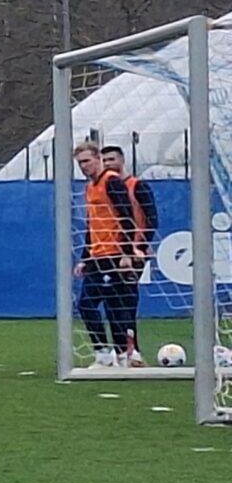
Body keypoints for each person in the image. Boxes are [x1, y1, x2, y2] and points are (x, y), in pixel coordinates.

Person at [75, 142, 141, 366]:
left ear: (98, 159)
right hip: (97, 256)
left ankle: (111, 354)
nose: (84, 166)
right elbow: (92, 225)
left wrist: (126, 252)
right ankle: (117, 354)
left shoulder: (111, 181)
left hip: (113, 255)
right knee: (95, 304)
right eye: (80, 163)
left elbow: (127, 217)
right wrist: (85, 258)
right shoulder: (89, 187)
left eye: (87, 161)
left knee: (103, 305)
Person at [102, 143, 156, 364]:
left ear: (122, 160)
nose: (108, 165)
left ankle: (133, 351)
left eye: (111, 160)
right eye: (104, 161)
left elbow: (151, 219)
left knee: (126, 299)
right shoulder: (103, 187)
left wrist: (140, 248)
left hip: (131, 253)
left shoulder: (137, 186)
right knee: (111, 301)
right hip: (109, 253)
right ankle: (120, 351)